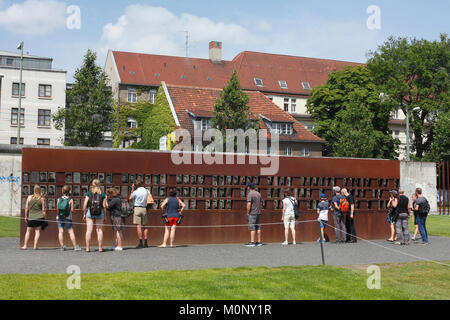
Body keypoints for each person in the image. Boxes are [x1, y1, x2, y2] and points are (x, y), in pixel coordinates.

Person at [83, 179, 106, 253]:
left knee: (89, 230)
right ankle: (100, 248)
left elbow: (84, 205)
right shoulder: (102, 194)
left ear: (92, 184)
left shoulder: (89, 193)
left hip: (90, 212)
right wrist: (105, 216)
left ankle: (87, 248)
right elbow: (104, 206)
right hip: (100, 212)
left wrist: (84, 213)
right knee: (99, 231)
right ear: (100, 185)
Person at [21, 185, 48, 250]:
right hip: (39, 217)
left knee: (28, 231)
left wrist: (25, 216)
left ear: (34, 190)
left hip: (31, 217)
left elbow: (26, 208)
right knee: (37, 231)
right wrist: (45, 218)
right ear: (40, 191)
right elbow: (43, 210)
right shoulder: (42, 198)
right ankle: (35, 246)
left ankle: (25, 245)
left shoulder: (29, 197)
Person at [56, 185, 81, 251]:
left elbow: (57, 208)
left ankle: (62, 246)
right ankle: (75, 246)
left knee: (60, 231)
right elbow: (72, 210)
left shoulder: (59, 199)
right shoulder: (70, 200)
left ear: (62, 191)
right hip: (68, 217)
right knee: (70, 231)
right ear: (69, 191)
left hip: (60, 217)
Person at [129, 180, 150, 248]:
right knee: (145, 225)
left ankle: (140, 242)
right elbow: (150, 197)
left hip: (137, 208)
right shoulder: (146, 191)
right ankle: (146, 242)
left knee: (138, 226)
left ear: (135, 185)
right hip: (144, 208)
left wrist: (132, 189)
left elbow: (130, 198)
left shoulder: (136, 191)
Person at [245, 182, 263, 247]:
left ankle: (252, 242)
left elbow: (249, 204)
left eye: (247, 187)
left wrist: (247, 212)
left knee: (252, 227)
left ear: (249, 187)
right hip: (258, 212)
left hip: (252, 213)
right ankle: (259, 241)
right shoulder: (258, 193)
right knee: (258, 227)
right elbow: (260, 203)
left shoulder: (250, 194)